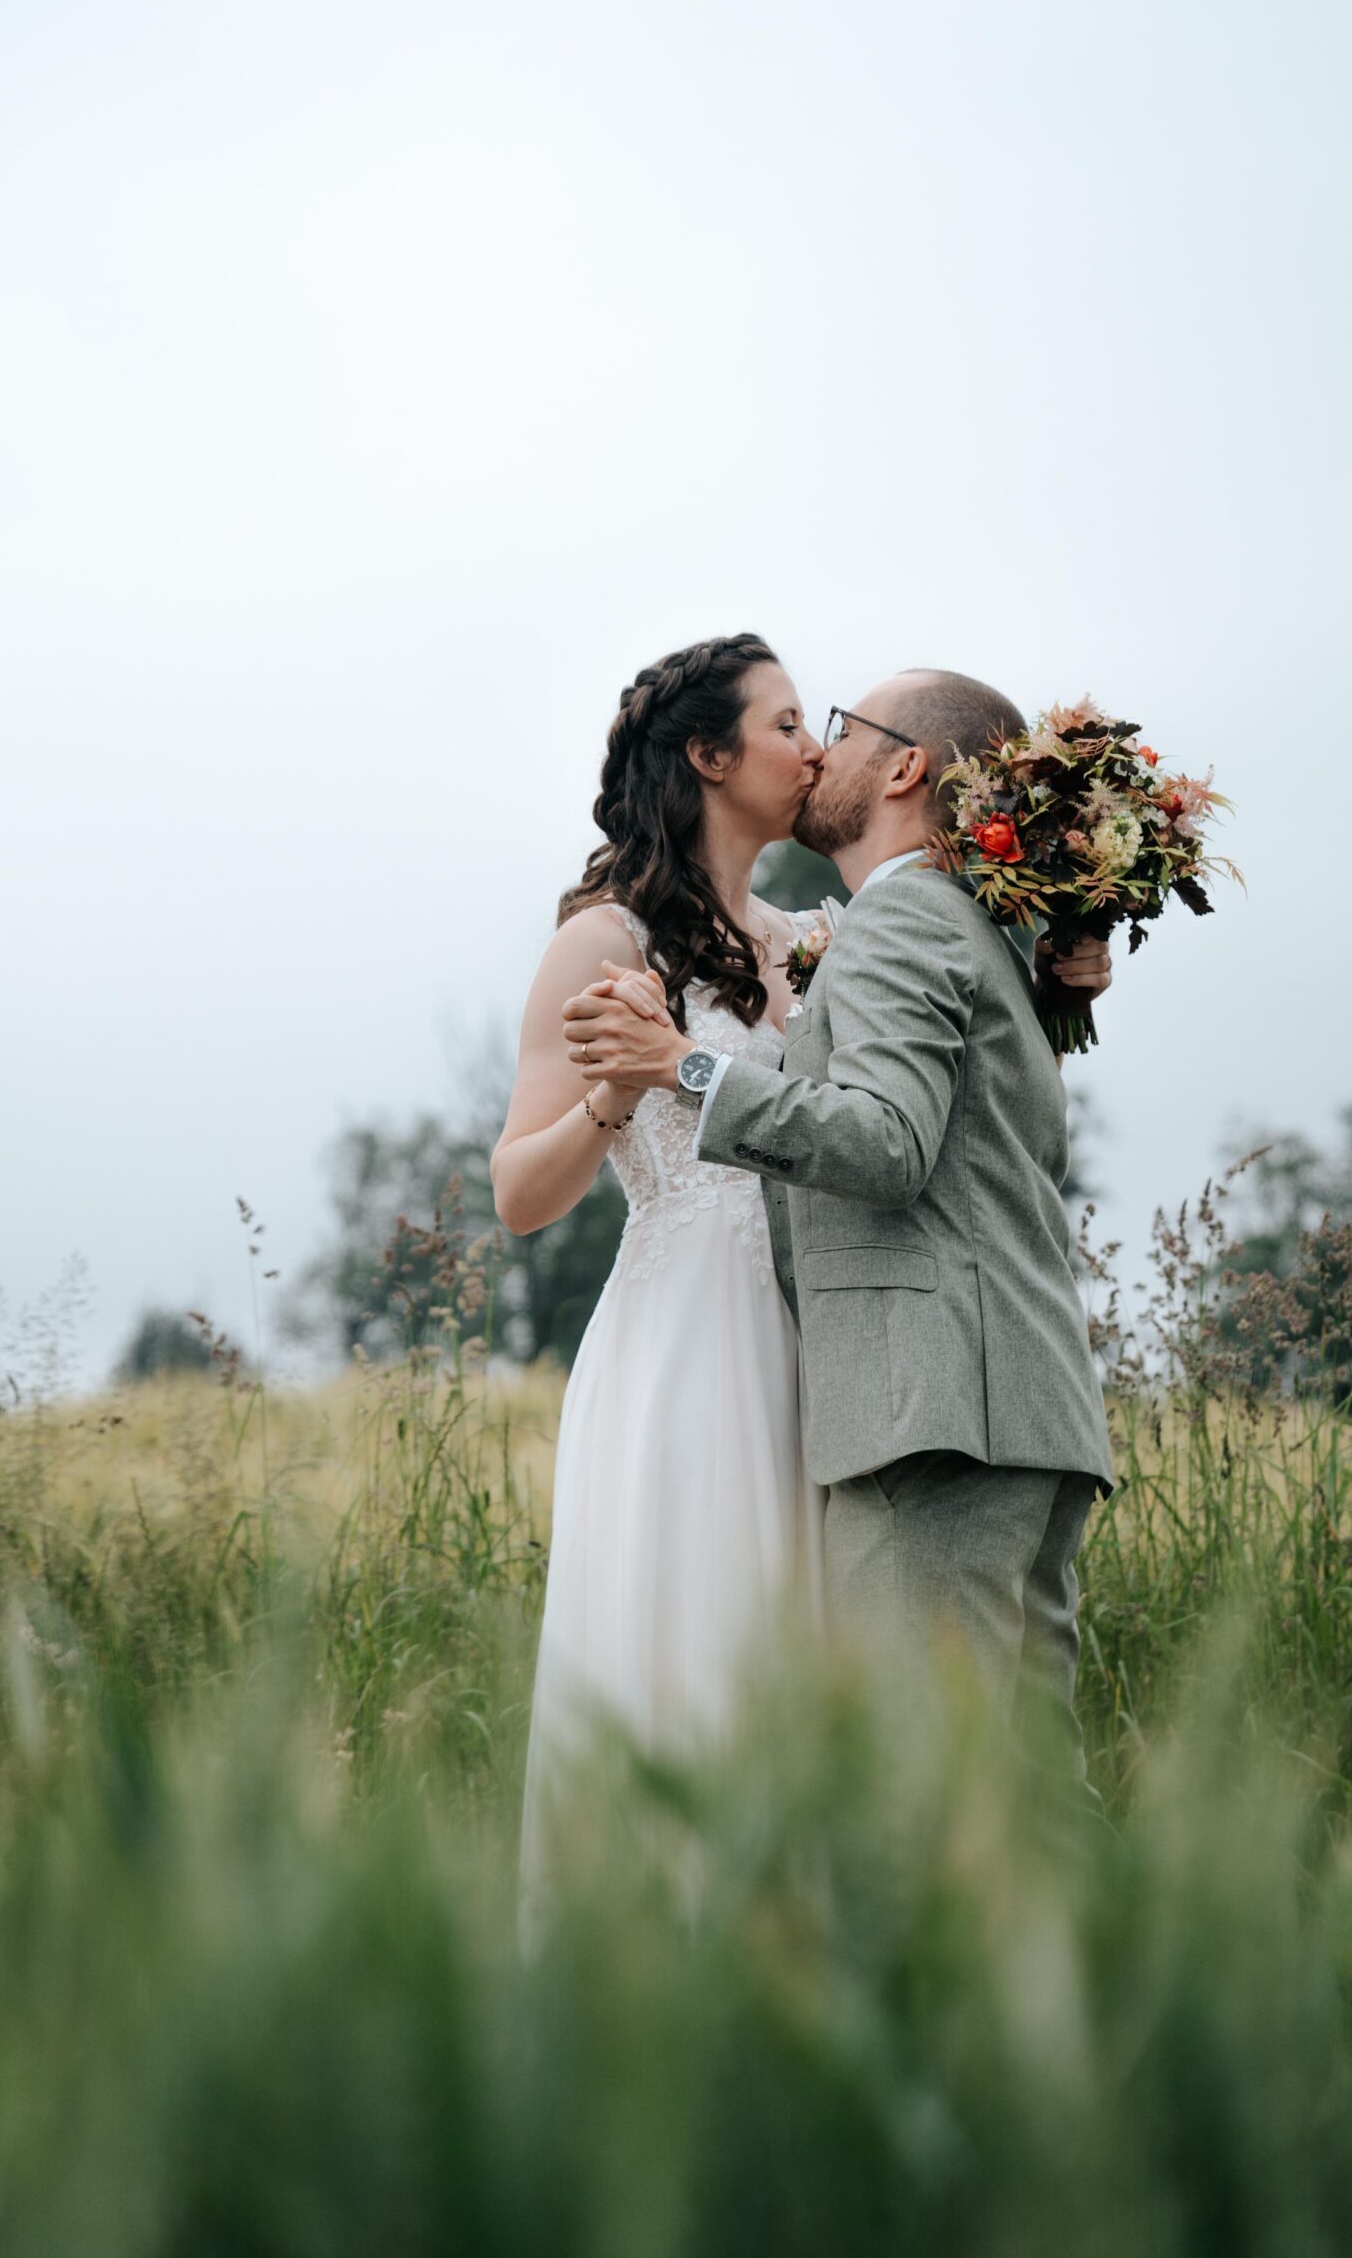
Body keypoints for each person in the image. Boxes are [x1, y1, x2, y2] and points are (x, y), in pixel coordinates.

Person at [496, 642, 1110, 1892]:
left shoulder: (827, 936)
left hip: (833, 1357)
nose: (815, 745)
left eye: (824, 723)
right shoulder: (603, 940)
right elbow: (519, 1192)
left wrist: (1076, 945)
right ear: (712, 759)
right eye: (788, 722)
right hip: (686, 1344)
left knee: (868, 1722)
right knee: (701, 1663)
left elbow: (949, 1046)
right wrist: (622, 1095)